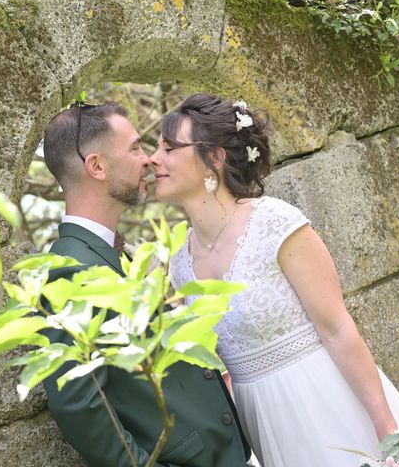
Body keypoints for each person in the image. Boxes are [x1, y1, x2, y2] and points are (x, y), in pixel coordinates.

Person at [150, 93, 399, 467]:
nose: (154, 158)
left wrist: (387, 428)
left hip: (324, 402)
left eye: (169, 148)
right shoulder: (179, 264)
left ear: (213, 159)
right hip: (260, 428)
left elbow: (337, 328)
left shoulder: (275, 223)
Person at [41, 101, 252, 467]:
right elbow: (79, 404)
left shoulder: (117, 254)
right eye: (136, 147)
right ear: (97, 166)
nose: (148, 160)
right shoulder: (70, 268)